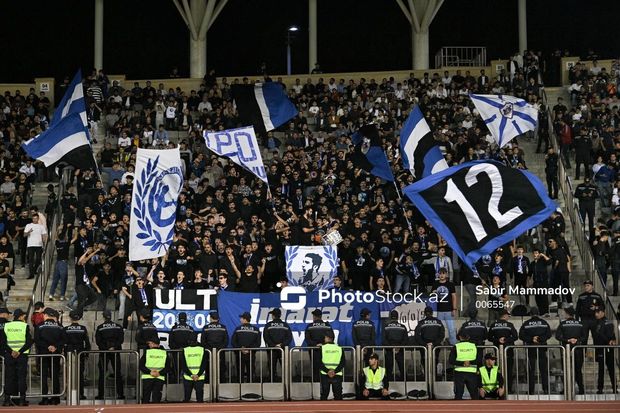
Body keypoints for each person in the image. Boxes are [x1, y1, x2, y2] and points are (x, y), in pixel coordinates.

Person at [35, 308, 66, 405]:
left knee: (44, 377)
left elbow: (37, 340)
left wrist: (47, 346)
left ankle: (44, 398)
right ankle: (56, 398)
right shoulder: (60, 326)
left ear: (46, 315)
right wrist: (55, 347)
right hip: (55, 354)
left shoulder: (39, 326)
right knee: (55, 376)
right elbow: (64, 339)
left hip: (43, 354)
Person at [1, 309, 32, 406]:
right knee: (21, 377)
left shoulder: (6, 326)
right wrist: (19, 351)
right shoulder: (25, 326)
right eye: (23, 316)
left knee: (9, 377)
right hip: (22, 356)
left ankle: (7, 400)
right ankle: (22, 399)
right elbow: (29, 342)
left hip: (9, 355)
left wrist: (11, 351)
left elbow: (3, 342)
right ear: (21, 317)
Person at [518, 307, 551, 395]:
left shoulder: (526, 323)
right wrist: (540, 339)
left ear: (530, 314)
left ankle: (531, 390)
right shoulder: (544, 322)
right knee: (543, 370)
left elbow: (521, 335)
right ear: (538, 313)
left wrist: (532, 339)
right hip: (542, 348)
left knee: (531, 371)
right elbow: (549, 334)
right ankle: (546, 389)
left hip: (531, 349)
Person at [555, 307, 586, 394]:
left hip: (566, 350)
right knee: (578, 370)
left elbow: (558, 336)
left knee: (566, 371)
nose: (564, 314)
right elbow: (584, 336)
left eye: (565, 313)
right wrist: (577, 340)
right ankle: (581, 389)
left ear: (567, 314)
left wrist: (567, 340)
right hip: (578, 350)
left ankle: (566, 389)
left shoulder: (563, 324)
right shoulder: (580, 324)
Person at [95, 310, 125, 400]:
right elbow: (121, 340)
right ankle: (120, 394)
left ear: (103, 317)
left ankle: (101, 395)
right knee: (117, 373)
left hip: (104, 352)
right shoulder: (118, 326)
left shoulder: (100, 327)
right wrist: (114, 347)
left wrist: (106, 348)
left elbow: (98, 341)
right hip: (115, 352)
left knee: (102, 373)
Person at [64, 310, 90, 399]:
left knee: (69, 374)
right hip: (80, 353)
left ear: (70, 318)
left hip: (69, 353)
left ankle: (69, 394)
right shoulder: (83, 328)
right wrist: (86, 353)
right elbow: (87, 343)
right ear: (78, 318)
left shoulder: (66, 329)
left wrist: (65, 354)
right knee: (80, 374)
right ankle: (80, 394)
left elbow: (64, 342)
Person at [487, 309, 518, 383]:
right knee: (509, 370)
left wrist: (498, 340)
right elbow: (515, 337)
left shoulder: (493, 325)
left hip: (497, 352)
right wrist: (506, 340)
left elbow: (489, 338)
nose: (508, 317)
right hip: (508, 352)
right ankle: (509, 387)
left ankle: (499, 386)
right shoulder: (509, 325)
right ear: (504, 315)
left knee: (498, 370)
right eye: (508, 315)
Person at [413, 306, 444, 377]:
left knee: (424, 362)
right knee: (435, 361)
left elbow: (417, 335)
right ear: (432, 313)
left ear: (424, 313)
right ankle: (434, 378)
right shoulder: (438, 322)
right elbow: (442, 335)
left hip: (424, 346)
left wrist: (424, 344)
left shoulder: (421, 322)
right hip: (435, 346)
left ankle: (426, 378)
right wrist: (434, 343)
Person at [262, 308, 292, 382]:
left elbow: (266, 337)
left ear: (273, 316)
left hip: (272, 350)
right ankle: (286, 382)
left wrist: (273, 345)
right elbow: (289, 337)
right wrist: (281, 344)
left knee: (272, 367)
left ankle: (272, 382)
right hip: (283, 349)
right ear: (280, 315)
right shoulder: (285, 325)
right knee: (285, 367)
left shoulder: (268, 325)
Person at [449, 333, 481, 400]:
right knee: (474, 395)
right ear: (468, 337)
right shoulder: (474, 346)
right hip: (472, 372)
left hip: (459, 372)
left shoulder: (456, 346)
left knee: (459, 394)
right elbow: (479, 359)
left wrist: (463, 363)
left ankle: (458, 406)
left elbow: (451, 360)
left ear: (460, 337)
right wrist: (470, 362)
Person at [305, 309, 335, 381]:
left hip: (314, 350)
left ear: (314, 316)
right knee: (326, 365)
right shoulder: (327, 325)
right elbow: (332, 337)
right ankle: (325, 380)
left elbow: (307, 339)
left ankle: (316, 381)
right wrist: (324, 344)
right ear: (321, 316)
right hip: (326, 349)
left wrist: (315, 344)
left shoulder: (310, 326)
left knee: (315, 366)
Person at [231, 312, 261, 383]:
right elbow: (258, 343)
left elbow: (233, 341)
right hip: (251, 354)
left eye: (241, 318)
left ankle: (240, 386)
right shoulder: (255, 329)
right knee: (250, 371)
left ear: (245, 319)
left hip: (240, 354)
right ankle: (250, 386)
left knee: (240, 372)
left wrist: (241, 348)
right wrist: (249, 349)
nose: (240, 319)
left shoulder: (238, 329)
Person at [593, 306, 617, 394]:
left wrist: (610, 340)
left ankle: (614, 388)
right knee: (601, 369)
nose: (596, 314)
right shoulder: (598, 322)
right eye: (595, 312)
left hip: (607, 349)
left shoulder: (607, 322)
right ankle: (600, 388)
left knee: (610, 369)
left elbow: (610, 336)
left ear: (602, 313)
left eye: (598, 312)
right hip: (600, 349)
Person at [201, 312, 229, 381]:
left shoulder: (206, 327)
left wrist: (210, 349)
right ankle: (221, 383)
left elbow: (203, 341)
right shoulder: (223, 327)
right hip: (220, 352)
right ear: (218, 319)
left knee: (208, 368)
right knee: (221, 368)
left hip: (209, 353)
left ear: (211, 318)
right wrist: (219, 349)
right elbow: (226, 341)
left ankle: (209, 383)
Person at [432, 267, 457, 344]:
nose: (442, 275)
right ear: (438, 275)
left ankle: (453, 345)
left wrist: (454, 309)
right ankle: (439, 344)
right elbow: (431, 297)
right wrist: (433, 292)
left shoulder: (450, 284)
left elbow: (454, 297)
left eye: (443, 273)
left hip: (449, 310)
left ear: (446, 274)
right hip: (438, 310)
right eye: (440, 273)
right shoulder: (435, 284)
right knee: (439, 330)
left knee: (451, 329)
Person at [140, 337, 169, 404]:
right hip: (159, 377)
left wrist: (150, 372)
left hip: (147, 377)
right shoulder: (164, 353)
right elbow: (168, 367)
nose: (149, 345)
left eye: (149, 343)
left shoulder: (147, 352)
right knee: (156, 398)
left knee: (146, 397)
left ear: (153, 344)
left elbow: (141, 365)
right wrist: (159, 373)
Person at [383, 310, 409, 381]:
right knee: (402, 367)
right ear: (398, 317)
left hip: (389, 349)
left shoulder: (386, 327)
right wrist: (399, 347)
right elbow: (406, 339)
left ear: (390, 317)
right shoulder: (403, 327)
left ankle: (389, 382)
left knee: (389, 368)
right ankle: (404, 382)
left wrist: (391, 347)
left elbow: (384, 340)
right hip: (399, 350)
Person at [320, 335, 345, 400]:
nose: (324, 339)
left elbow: (318, 362)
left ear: (328, 338)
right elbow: (343, 363)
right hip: (337, 374)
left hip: (325, 374)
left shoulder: (322, 348)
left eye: (325, 338)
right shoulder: (339, 348)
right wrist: (335, 371)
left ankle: (322, 407)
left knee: (324, 395)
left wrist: (327, 371)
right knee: (338, 395)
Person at [24, 213, 47, 279]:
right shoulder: (28, 225)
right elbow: (24, 235)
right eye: (33, 218)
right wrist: (29, 232)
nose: (35, 220)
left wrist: (44, 244)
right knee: (31, 260)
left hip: (39, 245)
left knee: (38, 259)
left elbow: (44, 235)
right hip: (30, 245)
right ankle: (31, 274)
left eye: (36, 218)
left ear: (38, 219)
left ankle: (34, 270)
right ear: (32, 219)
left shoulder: (41, 226)